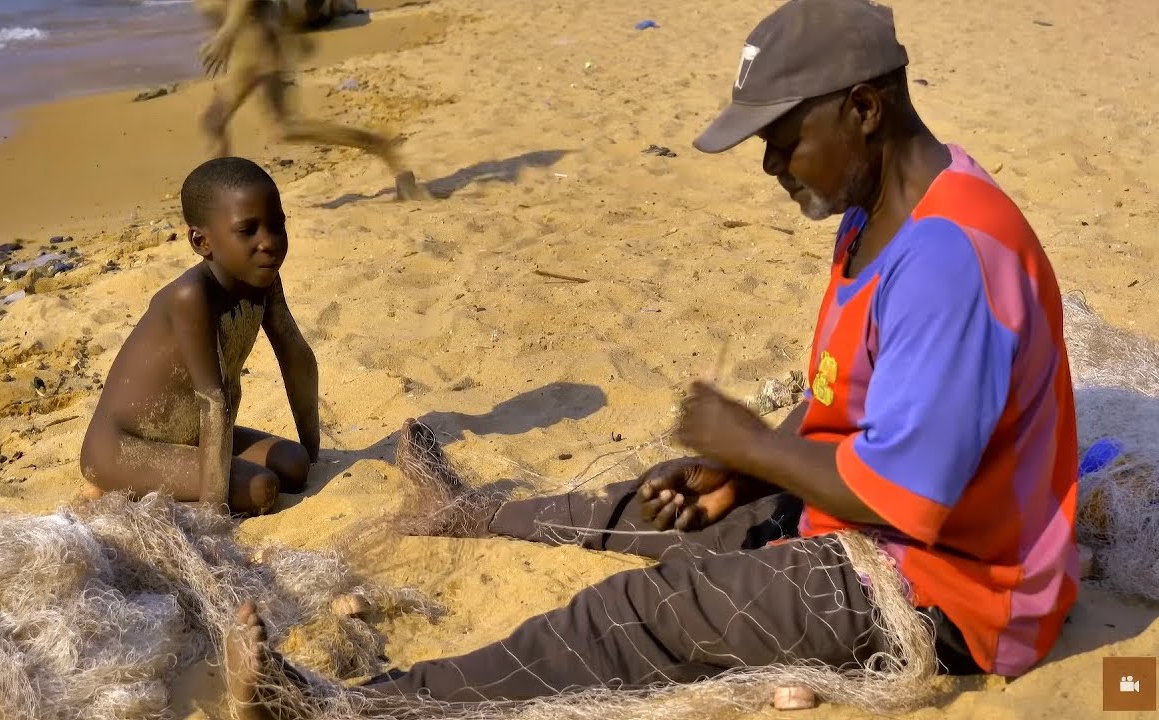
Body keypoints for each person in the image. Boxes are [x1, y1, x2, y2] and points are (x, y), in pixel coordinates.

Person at [221, 0, 1081, 712]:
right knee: (651, 509)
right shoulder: (873, 215)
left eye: (782, 139)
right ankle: (468, 513)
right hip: (867, 528)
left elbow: (913, 500)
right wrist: (743, 473)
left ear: (864, 108)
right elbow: (851, 406)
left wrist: (758, 448)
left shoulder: (946, 259)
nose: (772, 165)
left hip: (948, 595)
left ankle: (348, 708)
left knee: (632, 616)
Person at [80, 156, 320, 517]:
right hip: (121, 448)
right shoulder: (191, 297)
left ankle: (170, 480)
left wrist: (312, 447)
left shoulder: (263, 281)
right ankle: (118, 487)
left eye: (277, 226)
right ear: (201, 241)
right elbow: (213, 399)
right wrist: (214, 512)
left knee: (295, 463)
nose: (269, 243)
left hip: (189, 437)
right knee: (261, 488)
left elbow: (295, 352)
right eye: (248, 230)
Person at [193, 0, 427, 200]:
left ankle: (223, 205)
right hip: (251, 49)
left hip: (256, 51)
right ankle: (379, 145)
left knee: (213, 122)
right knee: (287, 128)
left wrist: (227, 34)